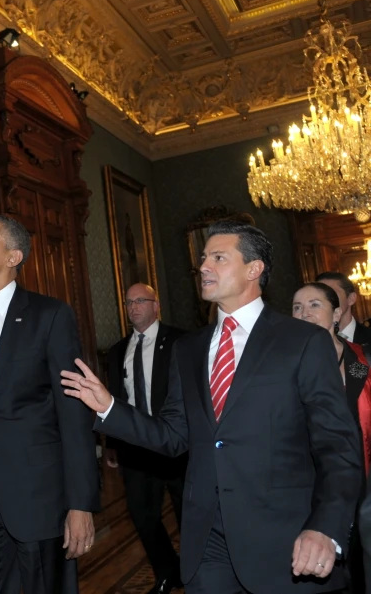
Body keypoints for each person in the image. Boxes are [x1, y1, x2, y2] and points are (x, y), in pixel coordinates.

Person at [62, 220, 362, 594]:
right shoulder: (189, 349)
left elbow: (338, 447)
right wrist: (109, 408)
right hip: (208, 542)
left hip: (286, 541)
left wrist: (326, 526)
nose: (204, 266)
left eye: (219, 258)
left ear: (254, 270)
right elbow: (173, 436)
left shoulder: (302, 341)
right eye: (204, 258)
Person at [0, 214, 99, 594]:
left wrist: (80, 504)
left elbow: (73, 415)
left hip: (39, 493)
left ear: (13, 257)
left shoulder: (50, 315)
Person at [105, 282, 185, 594]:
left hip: (177, 444)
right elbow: (115, 400)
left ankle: (196, 570)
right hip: (135, 448)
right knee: (142, 514)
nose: (134, 307)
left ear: (156, 305)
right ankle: (167, 572)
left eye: (141, 300)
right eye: (129, 303)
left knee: (187, 513)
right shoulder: (116, 351)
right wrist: (112, 443)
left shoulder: (181, 341)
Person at [293, 282, 371, 594]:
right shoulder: (288, 367)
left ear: (336, 313)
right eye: (297, 307)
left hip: (366, 482)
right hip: (314, 484)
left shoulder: (361, 361)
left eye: (314, 305)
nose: (304, 313)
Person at [317, 272, 371, 346]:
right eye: (318, 296)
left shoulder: (368, 338)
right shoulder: (309, 342)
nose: (324, 300)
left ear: (351, 299)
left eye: (331, 294)